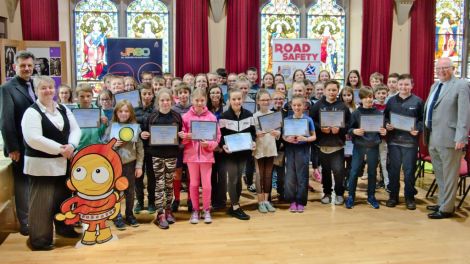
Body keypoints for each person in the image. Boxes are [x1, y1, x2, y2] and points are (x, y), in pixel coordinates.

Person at [21, 76, 81, 250]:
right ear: (36, 91)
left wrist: (72, 145)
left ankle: (64, 228)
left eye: (50, 87)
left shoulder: (62, 108)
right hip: (42, 167)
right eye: (43, 88)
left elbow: (75, 129)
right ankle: (40, 240)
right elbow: (33, 139)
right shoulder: (32, 112)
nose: (48, 91)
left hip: (64, 165)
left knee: (62, 201)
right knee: (41, 204)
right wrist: (60, 149)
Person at [424, 57, 470, 219]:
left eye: (445, 68)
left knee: (450, 175)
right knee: (440, 174)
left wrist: (461, 137)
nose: (441, 71)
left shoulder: (461, 85)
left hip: (450, 139)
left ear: (453, 68)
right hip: (433, 137)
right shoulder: (435, 85)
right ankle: (443, 201)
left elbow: (464, 114)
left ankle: (447, 209)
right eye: (438, 68)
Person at [0, 50, 37, 236]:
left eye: (30, 65)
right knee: (22, 184)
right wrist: (12, 147)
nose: (27, 68)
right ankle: (25, 223)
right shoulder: (7, 88)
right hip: (20, 146)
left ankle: (37, 218)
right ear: (15, 67)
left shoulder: (36, 84)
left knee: (35, 182)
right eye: (23, 66)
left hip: (36, 144)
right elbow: (5, 121)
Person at [140, 88, 182, 229]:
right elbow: (145, 136)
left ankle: (168, 210)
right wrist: (143, 135)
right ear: (158, 102)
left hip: (171, 155)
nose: (165, 103)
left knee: (169, 184)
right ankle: (160, 214)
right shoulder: (151, 117)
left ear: (171, 101)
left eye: (167, 100)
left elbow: (180, 137)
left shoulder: (176, 116)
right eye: (162, 100)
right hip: (156, 155)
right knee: (159, 184)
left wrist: (181, 136)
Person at [180, 88, 221, 224]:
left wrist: (208, 145)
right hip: (191, 157)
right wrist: (186, 137)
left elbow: (217, 138)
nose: (199, 103)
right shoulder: (186, 117)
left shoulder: (211, 117)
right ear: (192, 100)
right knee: (193, 184)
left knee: (207, 185)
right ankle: (195, 210)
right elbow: (181, 138)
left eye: (202, 100)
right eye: (196, 100)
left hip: (206, 157)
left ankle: (207, 209)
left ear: (206, 100)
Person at [384, 74, 424, 210]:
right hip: (394, 142)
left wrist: (417, 129)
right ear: (397, 86)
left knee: (409, 171)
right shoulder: (391, 101)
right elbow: (385, 118)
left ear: (412, 86)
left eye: (406, 84)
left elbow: (422, 121)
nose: (403, 87)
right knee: (393, 171)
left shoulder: (418, 101)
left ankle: (409, 197)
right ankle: (393, 196)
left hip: (410, 143)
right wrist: (387, 124)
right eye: (401, 84)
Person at [104, 100, 144, 230]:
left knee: (130, 191)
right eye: (121, 111)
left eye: (126, 111)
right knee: (115, 191)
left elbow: (140, 148)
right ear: (116, 112)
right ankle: (117, 216)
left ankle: (129, 214)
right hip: (114, 165)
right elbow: (104, 146)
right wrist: (113, 146)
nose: (123, 113)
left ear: (131, 113)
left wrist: (139, 166)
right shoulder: (111, 127)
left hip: (130, 164)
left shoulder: (135, 127)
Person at [310, 80, 351, 205]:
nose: (332, 92)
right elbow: (312, 122)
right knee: (326, 171)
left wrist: (340, 129)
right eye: (329, 90)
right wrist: (320, 128)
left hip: (337, 145)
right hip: (322, 144)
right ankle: (327, 193)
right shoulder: (317, 105)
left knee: (338, 171)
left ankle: (339, 193)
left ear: (338, 91)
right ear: (324, 90)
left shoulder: (343, 106)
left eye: (334, 90)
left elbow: (349, 124)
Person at [345, 88, 386, 209]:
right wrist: (354, 131)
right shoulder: (356, 113)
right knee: (354, 171)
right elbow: (349, 129)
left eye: (370, 97)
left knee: (372, 172)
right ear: (361, 99)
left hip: (373, 146)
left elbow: (382, 131)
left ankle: (371, 196)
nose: (368, 99)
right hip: (359, 146)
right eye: (365, 97)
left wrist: (383, 132)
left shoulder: (378, 113)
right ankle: (351, 196)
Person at [219, 88, 256, 220]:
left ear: (243, 99)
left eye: (239, 99)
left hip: (244, 152)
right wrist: (223, 144)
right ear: (229, 100)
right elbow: (220, 135)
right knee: (233, 178)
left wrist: (253, 141)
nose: (236, 101)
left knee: (239, 177)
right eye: (234, 99)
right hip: (230, 153)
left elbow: (253, 132)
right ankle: (235, 206)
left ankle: (235, 205)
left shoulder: (249, 114)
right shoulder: (224, 117)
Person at [283, 95, 316, 213]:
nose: (297, 107)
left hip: (303, 150)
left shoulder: (308, 120)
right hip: (291, 149)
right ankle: (292, 200)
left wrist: (305, 138)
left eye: (299, 105)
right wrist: (287, 139)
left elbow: (314, 136)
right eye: (294, 105)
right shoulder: (287, 120)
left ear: (304, 106)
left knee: (302, 176)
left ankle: (301, 201)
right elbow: (283, 136)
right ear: (291, 106)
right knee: (290, 176)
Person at [253, 90, 280, 213]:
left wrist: (277, 133)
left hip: (270, 147)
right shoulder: (254, 116)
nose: (266, 102)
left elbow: (279, 132)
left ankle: (267, 200)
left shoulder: (274, 114)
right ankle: (260, 202)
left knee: (268, 174)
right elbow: (252, 134)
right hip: (259, 148)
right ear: (258, 101)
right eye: (263, 100)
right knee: (259, 175)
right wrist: (256, 134)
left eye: (268, 100)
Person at [133, 83, 156, 214]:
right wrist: (139, 133)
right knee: (138, 176)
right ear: (140, 95)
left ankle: (151, 201)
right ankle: (140, 201)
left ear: (153, 95)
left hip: (152, 148)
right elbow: (130, 127)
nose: (147, 96)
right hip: (138, 148)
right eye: (144, 94)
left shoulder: (156, 110)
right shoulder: (134, 110)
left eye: (149, 93)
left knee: (152, 176)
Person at [171, 83, 192, 212]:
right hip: (177, 147)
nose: (183, 95)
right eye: (180, 93)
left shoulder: (194, 108)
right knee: (177, 173)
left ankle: (190, 199)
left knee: (191, 174)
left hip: (190, 146)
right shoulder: (173, 110)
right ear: (177, 95)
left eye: (185, 92)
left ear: (189, 94)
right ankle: (177, 199)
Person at [207, 85, 227, 209]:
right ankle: (214, 201)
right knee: (212, 176)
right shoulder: (205, 109)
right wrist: (212, 146)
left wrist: (220, 146)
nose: (215, 95)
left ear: (221, 94)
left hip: (223, 147)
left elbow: (227, 130)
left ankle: (222, 200)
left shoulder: (225, 109)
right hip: (209, 148)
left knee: (223, 175)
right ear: (209, 95)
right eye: (213, 92)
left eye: (218, 92)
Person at [75, 84, 108, 150]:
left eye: (88, 96)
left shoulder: (99, 111)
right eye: (82, 96)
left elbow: (101, 132)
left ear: (92, 96)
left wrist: (104, 124)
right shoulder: (73, 113)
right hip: (80, 148)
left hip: (96, 147)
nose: (85, 99)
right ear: (77, 97)